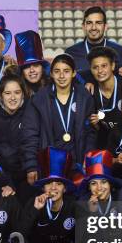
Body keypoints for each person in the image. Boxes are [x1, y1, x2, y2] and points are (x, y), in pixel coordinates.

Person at [22, 54, 96, 185]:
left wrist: (88, 157)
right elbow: (30, 135)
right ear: (51, 74)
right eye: (57, 71)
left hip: (77, 165)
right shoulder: (39, 99)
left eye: (66, 71)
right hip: (49, 165)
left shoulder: (85, 98)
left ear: (74, 73)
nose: (61, 76)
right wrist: (31, 165)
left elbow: (90, 133)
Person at [23, 147, 75, 243]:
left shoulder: (73, 205)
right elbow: (22, 232)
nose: (53, 188)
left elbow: (80, 237)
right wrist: (35, 210)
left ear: (64, 188)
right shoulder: (33, 203)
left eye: (58, 184)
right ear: (43, 187)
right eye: (49, 184)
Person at [0, 74, 34, 203]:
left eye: (17, 92)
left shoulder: (32, 109)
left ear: (23, 94)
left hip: (25, 175)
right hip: (0, 177)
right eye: (7, 93)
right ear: (0, 96)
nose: (12, 98)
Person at [64, 6, 122, 79]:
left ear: (105, 26)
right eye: (89, 23)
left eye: (98, 23)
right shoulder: (71, 53)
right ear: (83, 26)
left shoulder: (120, 51)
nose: (94, 27)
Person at [14, 30, 50, 96]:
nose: (32, 70)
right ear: (22, 71)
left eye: (36, 65)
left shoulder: (53, 91)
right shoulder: (16, 96)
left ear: (42, 68)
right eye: (27, 67)